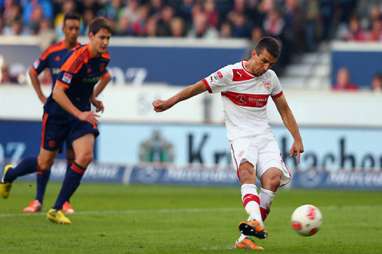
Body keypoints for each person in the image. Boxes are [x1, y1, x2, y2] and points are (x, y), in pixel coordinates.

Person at [153, 36, 304, 251]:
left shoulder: (271, 78)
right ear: (254, 53)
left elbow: (284, 109)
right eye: (263, 60)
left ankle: (246, 237)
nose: (265, 66)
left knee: (273, 179)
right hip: (241, 137)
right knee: (246, 171)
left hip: (264, 137)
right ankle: (255, 221)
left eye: (270, 63)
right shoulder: (230, 74)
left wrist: (297, 138)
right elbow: (197, 87)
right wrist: (169, 102)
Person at [0, 17, 112, 225]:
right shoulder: (77, 58)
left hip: (81, 113)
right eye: (101, 37)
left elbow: (95, 80)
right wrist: (77, 113)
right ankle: (10, 174)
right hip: (58, 114)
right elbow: (58, 92)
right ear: (91, 37)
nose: (105, 42)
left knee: (85, 155)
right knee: (44, 163)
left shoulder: (104, 58)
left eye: (108, 38)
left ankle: (56, 208)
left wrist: (92, 98)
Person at [25, 12, 81, 214]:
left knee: (73, 156)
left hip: (75, 113)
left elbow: (104, 76)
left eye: (77, 28)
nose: (74, 32)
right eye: (70, 28)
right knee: (45, 158)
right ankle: (38, 199)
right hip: (56, 113)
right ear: (63, 29)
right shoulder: (52, 51)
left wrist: (92, 97)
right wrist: (41, 96)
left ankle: (65, 201)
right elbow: (32, 71)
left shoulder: (83, 52)